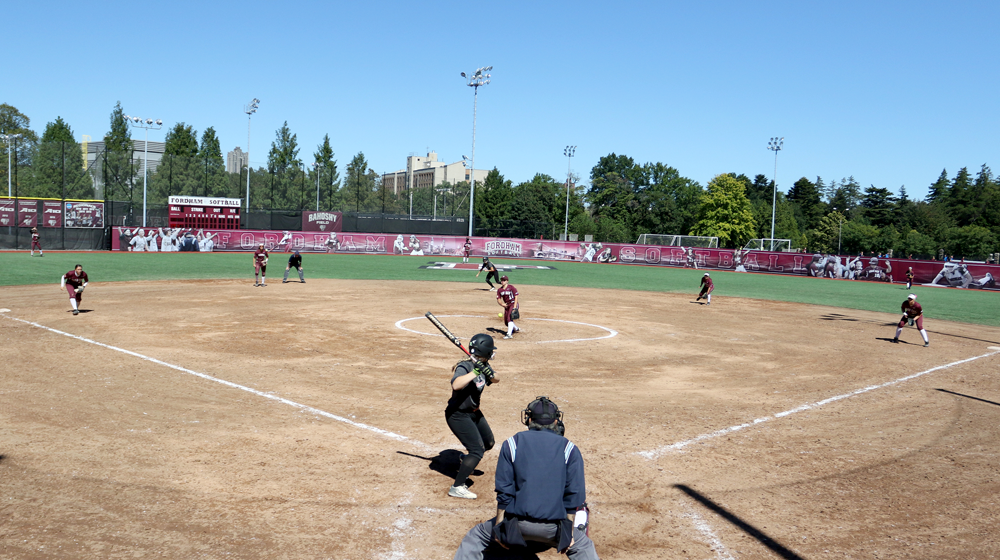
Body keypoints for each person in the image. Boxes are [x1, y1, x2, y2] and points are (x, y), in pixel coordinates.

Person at [452, 397, 599, 560]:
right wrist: (568, 534)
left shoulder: (512, 444)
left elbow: (504, 492)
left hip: (516, 526)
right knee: (584, 545)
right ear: (557, 421)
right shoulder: (570, 449)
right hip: (554, 529)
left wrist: (500, 528)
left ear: (528, 419)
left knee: (476, 536)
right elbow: (574, 495)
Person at [445, 334, 500, 499]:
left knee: (488, 443)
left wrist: (489, 372)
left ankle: (465, 459)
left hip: (474, 412)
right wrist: (475, 372)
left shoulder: (483, 364)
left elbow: (497, 379)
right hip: (457, 414)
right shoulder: (465, 366)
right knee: (477, 450)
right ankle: (457, 487)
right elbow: (456, 384)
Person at [497, 275, 521, 339]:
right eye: (502, 280)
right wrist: (502, 304)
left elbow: (516, 297)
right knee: (506, 322)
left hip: (513, 304)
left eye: (504, 280)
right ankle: (516, 328)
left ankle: (509, 334)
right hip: (506, 305)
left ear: (507, 281)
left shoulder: (511, 287)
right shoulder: (500, 290)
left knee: (509, 318)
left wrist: (515, 307)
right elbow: (498, 299)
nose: (502, 281)